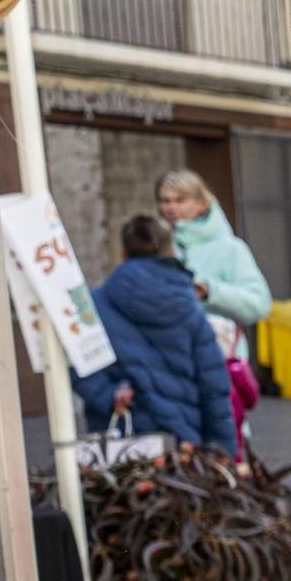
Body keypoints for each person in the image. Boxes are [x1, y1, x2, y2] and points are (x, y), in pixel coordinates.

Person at [73, 215, 234, 453]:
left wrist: (108, 396)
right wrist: (224, 448)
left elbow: (80, 365)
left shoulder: (95, 303)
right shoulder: (188, 306)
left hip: (118, 439)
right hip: (183, 437)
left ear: (123, 252)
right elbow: (213, 384)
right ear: (171, 251)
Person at [157, 169, 269, 453]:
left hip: (219, 371)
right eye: (165, 200)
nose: (170, 207)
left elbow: (259, 304)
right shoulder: (158, 247)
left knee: (225, 453)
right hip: (171, 370)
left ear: (201, 203)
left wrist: (211, 291)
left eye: (179, 200)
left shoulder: (230, 249)